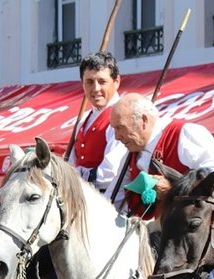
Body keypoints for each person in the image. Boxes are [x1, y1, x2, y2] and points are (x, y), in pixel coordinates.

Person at [107, 92, 214, 217]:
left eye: (120, 127)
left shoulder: (185, 134)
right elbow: (112, 199)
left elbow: (211, 181)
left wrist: (173, 190)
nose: (116, 136)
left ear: (144, 120)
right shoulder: (130, 155)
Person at [68, 51, 126, 192]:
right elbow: (70, 164)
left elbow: (110, 171)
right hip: (82, 196)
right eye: (89, 82)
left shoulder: (122, 116)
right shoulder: (82, 121)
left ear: (116, 81)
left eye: (102, 82)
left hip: (110, 199)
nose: (95, 89)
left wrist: (77, 176)